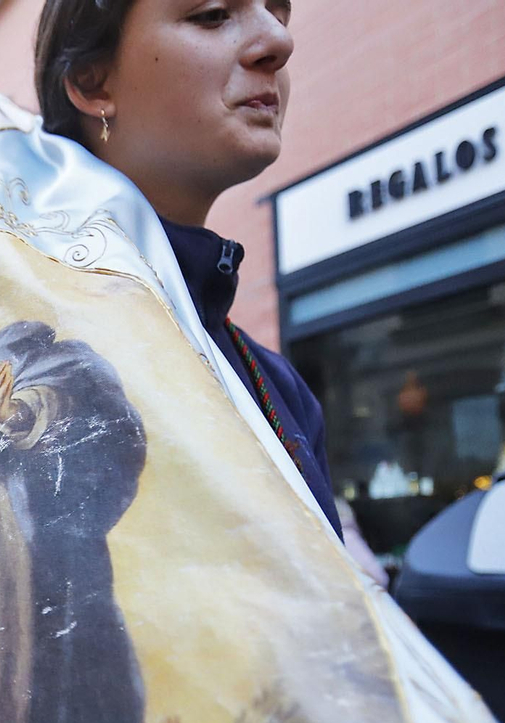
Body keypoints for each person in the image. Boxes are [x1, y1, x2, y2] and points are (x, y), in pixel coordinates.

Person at [35, 0, 341, 537]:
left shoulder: (278, 387)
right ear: (92, 81)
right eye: (214, 14)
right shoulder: (13, 352)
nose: (278, 41)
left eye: (277, 12)